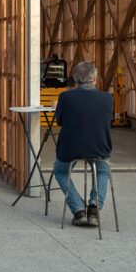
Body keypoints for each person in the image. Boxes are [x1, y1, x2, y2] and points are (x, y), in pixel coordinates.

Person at [50, 61, 113, 228]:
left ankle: (78, 209)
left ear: (75, 80)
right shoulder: (108, 98)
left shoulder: (65, 97)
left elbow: (59, 121)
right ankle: (94, 209)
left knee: (60, 171)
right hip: (99, 146)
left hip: (71, 147)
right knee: (101, 171)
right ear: (95, 79)